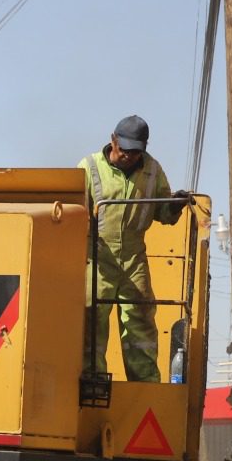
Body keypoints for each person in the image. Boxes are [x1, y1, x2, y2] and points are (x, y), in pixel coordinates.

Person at [77, 115, 189, 382]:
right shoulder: (89, 167)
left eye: (136, 152)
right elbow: (75, 210)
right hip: (97, 258)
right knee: (91, 320)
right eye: (125, 150)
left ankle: (145, 386)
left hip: (134, 257)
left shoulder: (153, 171)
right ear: (113, 140)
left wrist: (173, 206)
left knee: (140, 323)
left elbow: (162, 212)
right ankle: (92, 382)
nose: (129, 156)